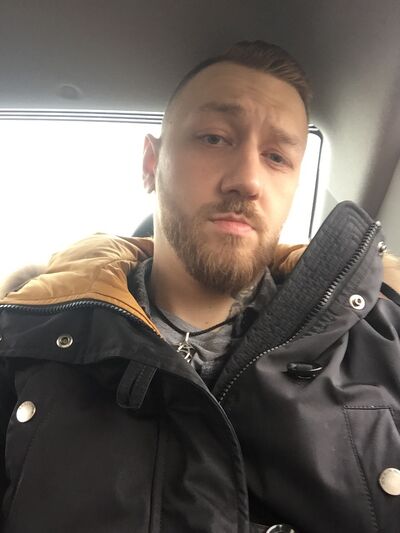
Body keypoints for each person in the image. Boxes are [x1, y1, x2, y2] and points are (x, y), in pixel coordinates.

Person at [0, 41, 399, 533]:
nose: (247, 179)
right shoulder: (23, 342)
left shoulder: (382, 338)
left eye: (277, 157)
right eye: (214, 138)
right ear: (151, 165)